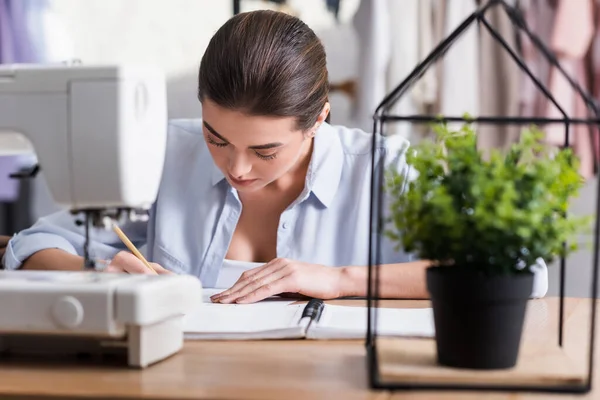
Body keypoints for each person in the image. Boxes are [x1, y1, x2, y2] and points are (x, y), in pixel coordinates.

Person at [0, 10, 548, 302]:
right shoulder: (165, 152)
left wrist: (340, 279)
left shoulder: (384, 170)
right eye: (217, 138)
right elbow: (33, 243)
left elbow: (520, 270)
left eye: (265, 150)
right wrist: (104, 272)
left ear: (319, 118)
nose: (236, 168)